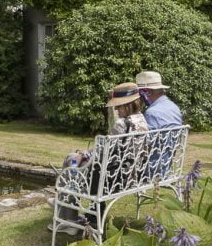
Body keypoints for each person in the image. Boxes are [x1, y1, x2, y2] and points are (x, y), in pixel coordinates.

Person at [48, 82, 149, 236]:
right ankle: (66, 208)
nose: (116, 109)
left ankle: (67, 214)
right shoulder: (142, 120)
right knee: (75, 161)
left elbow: (102, 152)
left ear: (127, 105)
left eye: (118, 106)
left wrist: (83, 154)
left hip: (112, 179)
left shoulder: (122, 124)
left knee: (71, 162)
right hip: (132, 175)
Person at [135, 71, 182, 178]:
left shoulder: (151, 113)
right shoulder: (174, 107)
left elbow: (144, 146)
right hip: (167, 166)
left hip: (151, 169)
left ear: (148, 92)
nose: (138, 97)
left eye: (139, 93)